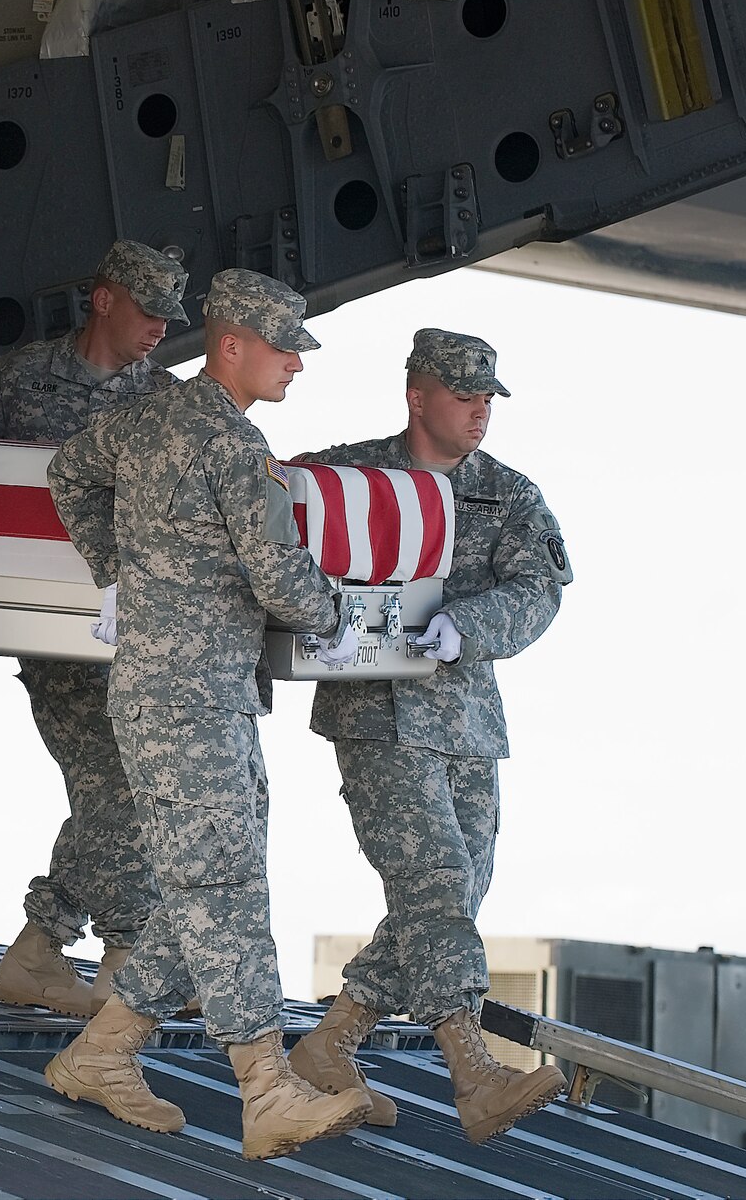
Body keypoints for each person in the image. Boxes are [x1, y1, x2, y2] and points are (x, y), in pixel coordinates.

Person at [42, 268, 370, 1160]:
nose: (297, 365)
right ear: (232, 344)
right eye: (284, 347)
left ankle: (104, 1052)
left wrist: (113, 571)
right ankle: (267, 1088)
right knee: (223, 884)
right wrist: (341, 614)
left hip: (171, 692)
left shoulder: (145, 417)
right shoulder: (234, 448)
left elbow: (67, 471)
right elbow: (281, 579)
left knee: (204, 885)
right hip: (192, 701)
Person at [287, 329, 570, 1144]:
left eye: (489, 397)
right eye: (464, 394)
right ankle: (472, 1070)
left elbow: (539, 591)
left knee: (452, 891)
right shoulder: (350, 474)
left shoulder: (508, 493)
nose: (481, 410)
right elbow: (273, 508)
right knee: (436, 879)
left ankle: (330, 1043)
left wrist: (467, 625)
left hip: (468, 720)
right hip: (377, 712)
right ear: (418, 395)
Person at [0, 240, 184, 1017]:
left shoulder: (169, 402)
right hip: (52, 630)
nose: (158, 330)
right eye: (147, 311)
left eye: (169, 317)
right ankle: (121, 959)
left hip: (140, 633)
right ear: (103, 298)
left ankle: (40, 951)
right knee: (119, 785)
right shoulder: (15, 383)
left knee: (126, 787)